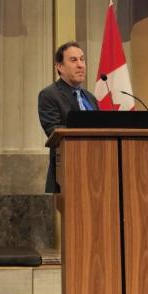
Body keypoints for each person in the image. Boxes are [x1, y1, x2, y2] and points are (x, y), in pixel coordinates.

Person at [37, 40, 99, 193]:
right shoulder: (49, 94)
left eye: (82, 59)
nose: (80, 65)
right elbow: (53, 130)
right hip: (68, 172)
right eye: (73, 60)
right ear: (60, 67)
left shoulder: (90, 98)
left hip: (97, 171)